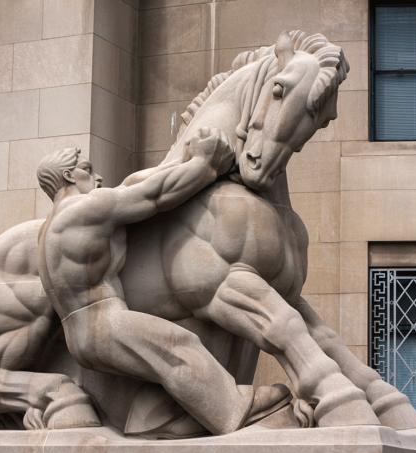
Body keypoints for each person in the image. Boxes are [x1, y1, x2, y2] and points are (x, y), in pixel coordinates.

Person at [37, 128, 290, 437]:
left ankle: (157, 421)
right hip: (104, 322)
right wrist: (205, 163)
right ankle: (234, 412)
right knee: (178, 346)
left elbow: (132, 185)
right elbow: (152, 196)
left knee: (169, 353)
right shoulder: (85, 208)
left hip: (83, 331)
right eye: (88, 170)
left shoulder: (51, 225)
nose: (99, 178)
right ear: (68, 175)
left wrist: (183, 160)